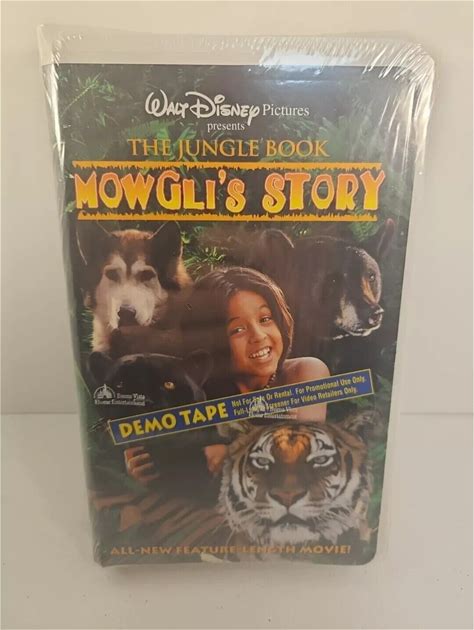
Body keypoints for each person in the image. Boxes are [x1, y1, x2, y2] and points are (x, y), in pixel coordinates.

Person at [126, 266, 330, 482]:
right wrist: (145, 460)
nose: (258, 336)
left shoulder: (305, 373)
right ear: (213, 343)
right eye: (237, 330)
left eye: (265, 319)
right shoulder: (196, 390)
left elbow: (300, 456)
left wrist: (232, 454)